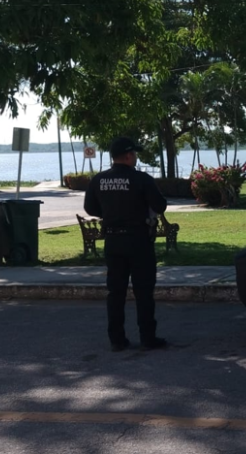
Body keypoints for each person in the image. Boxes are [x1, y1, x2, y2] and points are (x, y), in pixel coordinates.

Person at [84, 137, 168, 352]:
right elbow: (160, 205)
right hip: (138, 240)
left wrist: (111, 213)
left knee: (116, 292)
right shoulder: (142, 179)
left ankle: (117, 339)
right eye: (135, 154)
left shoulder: (98, 180)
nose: (136, 157)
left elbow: (90, 209)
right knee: (143, 291)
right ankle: (148, 337)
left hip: (113, 240)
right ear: (129, 155)